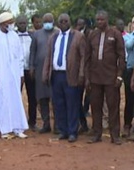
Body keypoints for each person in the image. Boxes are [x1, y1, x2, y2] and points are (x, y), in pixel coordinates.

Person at [84, 10, 126, 144]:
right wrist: (87, 77)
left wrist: (119, 76)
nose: (99, 22)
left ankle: (115, 135)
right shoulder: (92, 34)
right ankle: (97, 133)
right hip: (95, 77)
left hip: (111, 77)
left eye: (102, 19)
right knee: (95, 106)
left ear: (107, 20)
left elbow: (121, 56)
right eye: (97, 20)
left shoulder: (115, 34)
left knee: (113, 106)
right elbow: (87, 57)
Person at [43, 13, 86, 142]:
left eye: (65, 21)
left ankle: (73, 132)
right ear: (57, 23)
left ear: (70, 22)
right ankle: (63, 131)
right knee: (59, 104)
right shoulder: (53, 37)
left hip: (71, 75)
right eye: (61, 21)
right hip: (56, 75)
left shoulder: (78, 36)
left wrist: (82, 74)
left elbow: (83, 57)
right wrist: (45, 73)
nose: (63, 23)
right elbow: (49, 56)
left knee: (72, 104)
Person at [0, 12, 29, 139]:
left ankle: (18, 128)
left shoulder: (14, 36)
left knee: (16, 100)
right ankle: (4, 129)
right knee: (2, 101)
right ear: (3, 23)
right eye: (10, 22)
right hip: (0, 75)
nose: (12, 24)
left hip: (14, 74)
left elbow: (20, 57)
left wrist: (21, 74)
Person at [28, 13, 55, 134]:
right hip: (39, 70)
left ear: (53, 22)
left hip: (54, 71)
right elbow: (32, 52)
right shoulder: (36, 34)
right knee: (42, 98)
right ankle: (46, 123)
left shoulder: (58, 33)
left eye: (50, 21)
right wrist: (31, 67)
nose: (48, 23)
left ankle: (58, 124)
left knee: (55, 98)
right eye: (46, 21)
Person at [16, 15, 37, 129]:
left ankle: (32, 122)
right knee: (16, 96)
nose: (22, 25)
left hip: (30, 70)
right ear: (17, 24)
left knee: (32, 96)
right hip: (17, 71)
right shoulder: (13, 37)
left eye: (24, 23)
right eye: (20, 23)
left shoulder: (32, 36)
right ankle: (17, 121)